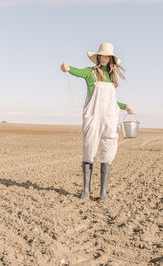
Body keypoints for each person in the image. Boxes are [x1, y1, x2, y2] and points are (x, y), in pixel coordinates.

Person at [61, 42, 134, 201]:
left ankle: (103, 193)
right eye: (102, 55)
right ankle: (86, 191)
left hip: (110, 119)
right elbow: (77, 72)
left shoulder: (112, 77)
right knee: (89, 152)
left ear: (111, 59)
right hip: (93, 118)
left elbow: (111, 102)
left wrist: (125, 106)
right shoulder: (90, 73)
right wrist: (67, 68)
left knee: (108, 154)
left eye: (107, 56)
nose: (104, 58)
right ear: (98, 57)